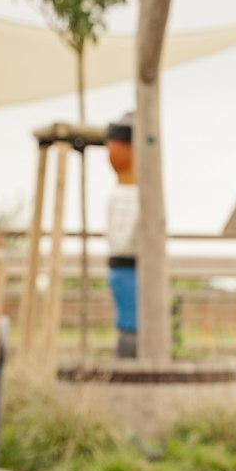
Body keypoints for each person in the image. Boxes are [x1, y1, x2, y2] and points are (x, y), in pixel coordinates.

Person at [104, 112, 139, 358]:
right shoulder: (118, 195)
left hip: (134, 266)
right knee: (126, 320)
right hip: (120, 265)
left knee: (133, 322)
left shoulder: (140, 196)